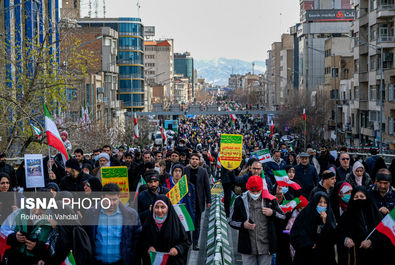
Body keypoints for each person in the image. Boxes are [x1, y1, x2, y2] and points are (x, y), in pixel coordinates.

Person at [229, 175, 285, 265]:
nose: (255, 194)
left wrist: (272, 212)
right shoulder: (239, 200)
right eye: (252, 191)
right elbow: (231, 221)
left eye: (257, 191)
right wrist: (243, 225)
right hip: (247, 246)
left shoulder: (270, 200)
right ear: (248, 188)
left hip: (266, 246)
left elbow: (283, 217)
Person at [83, 183, 141, 265]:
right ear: (102, 197)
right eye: (108, 200)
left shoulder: (131, 215)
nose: (111, 203)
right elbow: (85, 238)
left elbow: (137, 240)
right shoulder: (90, 213)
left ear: (119, 197)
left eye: (114, 200)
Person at [336, 186, 388, 265]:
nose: (359, 199)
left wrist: (371, 242)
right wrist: (345, 240)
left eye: (362, 196)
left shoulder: (375, 214)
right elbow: (339, 233)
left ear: (367, 197)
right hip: (354, 256)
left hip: (373, 257)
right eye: (356, 197)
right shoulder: (347, 215)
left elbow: (383, 234)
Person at [141, 195, 191, 265]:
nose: (159, 210)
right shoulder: (148, 223)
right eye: (156, 207)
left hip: (173, 262)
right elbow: (142, 240)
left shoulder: (176, 223)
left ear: (168, 208)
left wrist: (177, 249)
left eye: (162, 207)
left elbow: (186, 242)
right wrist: (148, 247)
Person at [290, 192, 337, 265]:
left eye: (325, 203)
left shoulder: (330, 217)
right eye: (320, 202)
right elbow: (295, 235)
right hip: (306, 256)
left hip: (324, 257)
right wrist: (308, 244)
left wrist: (325, 223)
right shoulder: (305, 215)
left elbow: (333, 237)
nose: (322, 205)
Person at [6, 194, 52, 265]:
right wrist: (14, 237)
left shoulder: (51, 220)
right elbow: (3, 233)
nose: (36, 212)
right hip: (15, 258)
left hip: (35, 261)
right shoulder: (18, 213)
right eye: (35, 207)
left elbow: (52, 245)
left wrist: (38, 249)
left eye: (41, 209)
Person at [183, 152, 211, 250]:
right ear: (190, 160)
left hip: (199, 201)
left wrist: (209, 200)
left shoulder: (203, 171)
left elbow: (207, 187)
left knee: (197, 223)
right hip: (187, 200)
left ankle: (195, 243)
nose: (194, 160)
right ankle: (188, 241)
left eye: (196, 159)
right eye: (193, 159)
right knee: (186, 221)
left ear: (199, 161)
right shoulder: (185, 170)